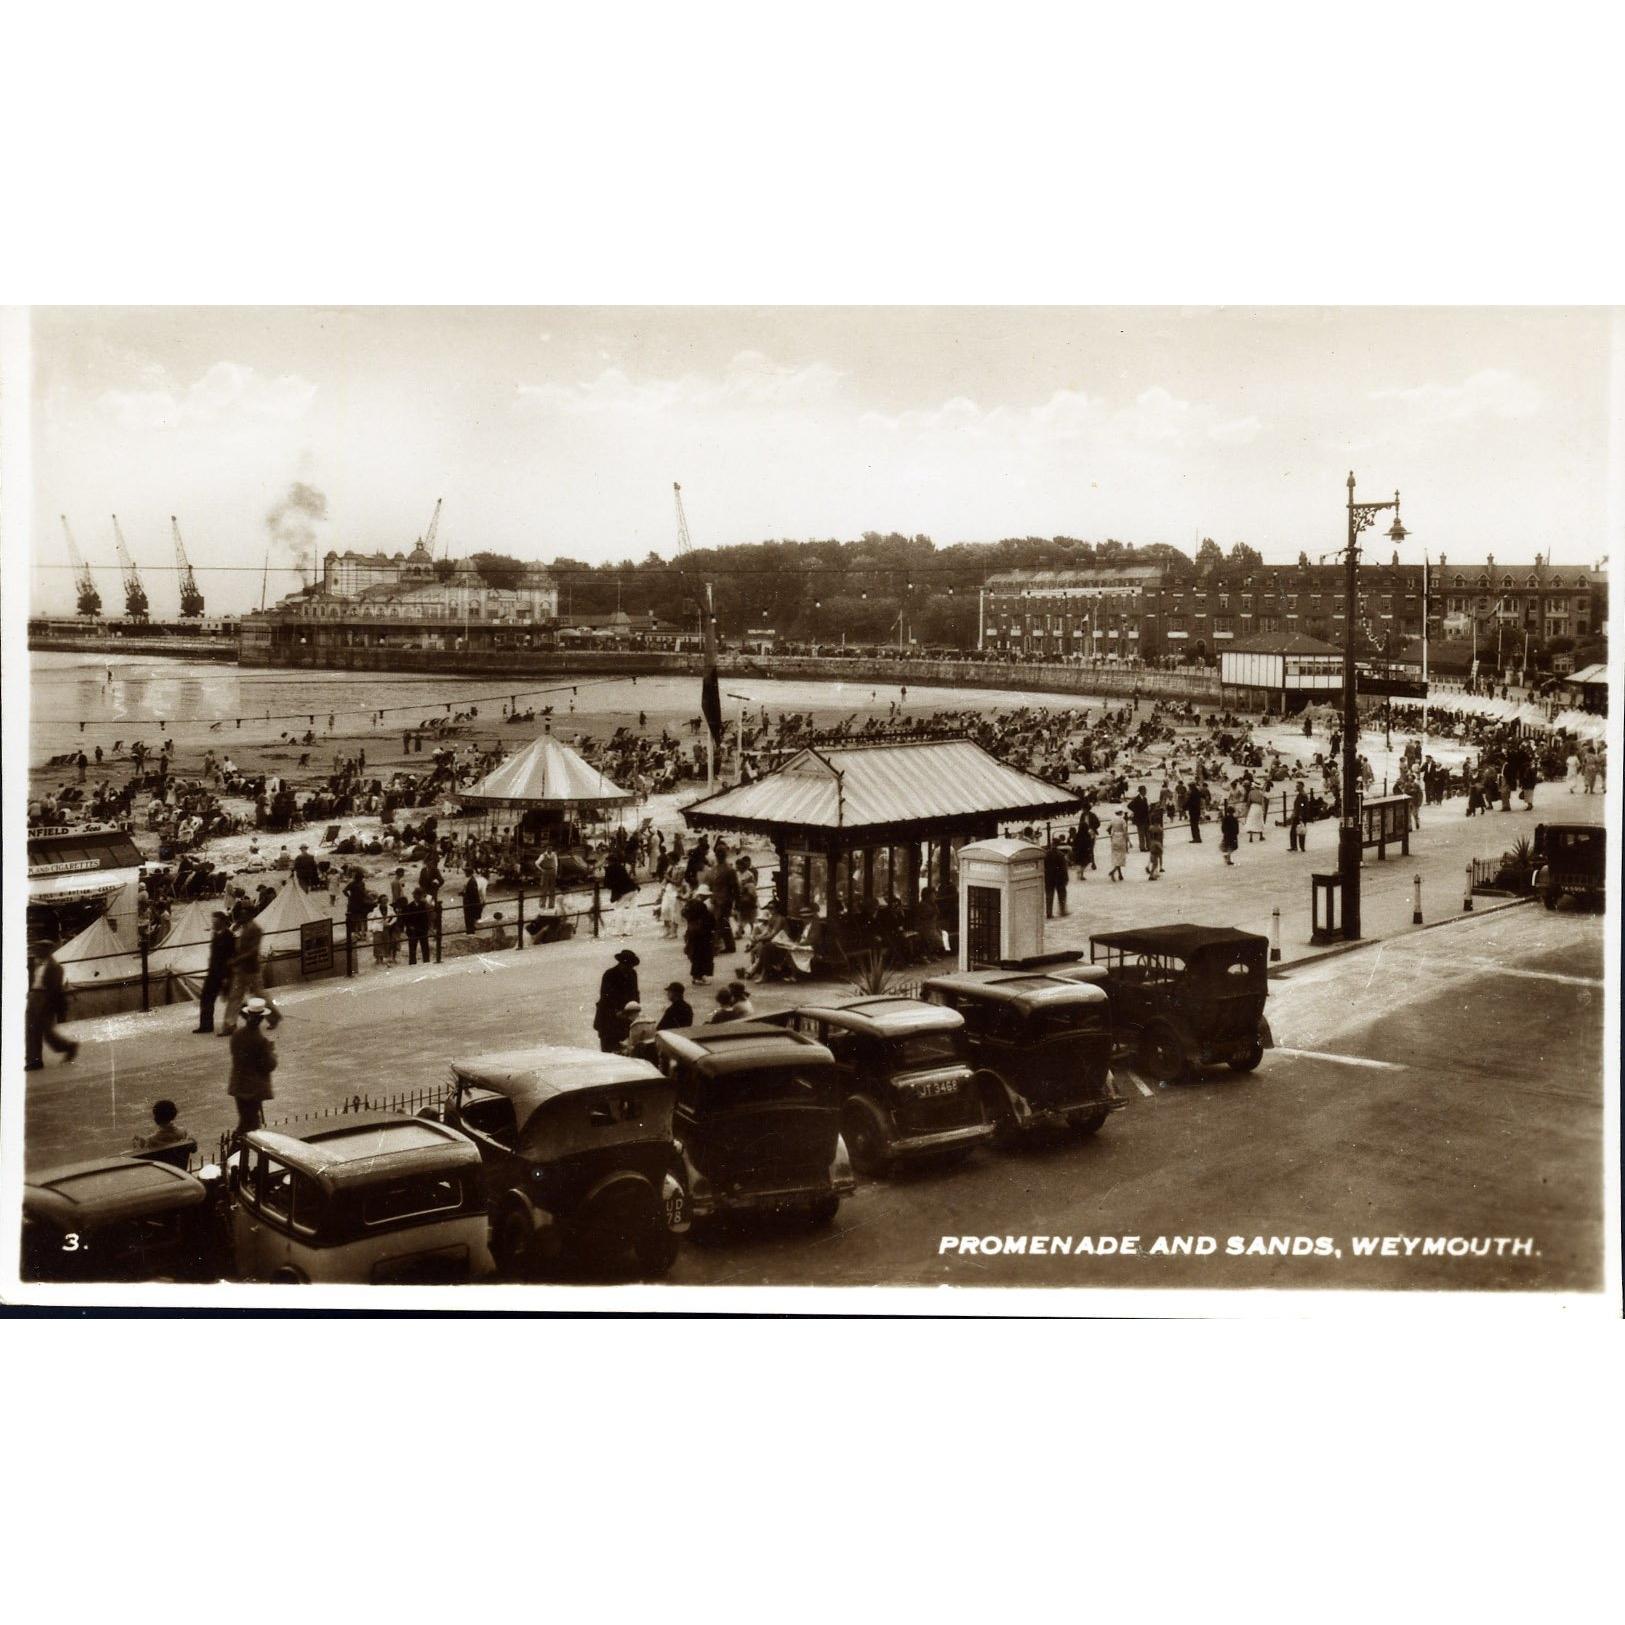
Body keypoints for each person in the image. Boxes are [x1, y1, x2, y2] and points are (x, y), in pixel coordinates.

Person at [219, 913, 277, 1035]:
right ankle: (229, 1025)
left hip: (251, 969)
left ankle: (273, 1018)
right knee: (236, 996)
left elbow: (253, 951)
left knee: (257, 994)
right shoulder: (245, 927)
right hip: (242, 969)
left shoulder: (255, 929)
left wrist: (236, 960)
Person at [227, 996, 277, 1137]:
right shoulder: (261, 1041)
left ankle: (237, 1148)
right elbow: (268, 1065)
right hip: (253, 1089)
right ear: (261, 1019)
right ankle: (235, 1151)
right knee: (250, 1123)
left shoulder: (237, 1035)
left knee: (246, 1119)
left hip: (238, 1084)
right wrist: (272, 1051)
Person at [24, 942, 77, 1071]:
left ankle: (69, 1046)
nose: (36, 952)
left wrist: (45, 1004)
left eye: (40, 949)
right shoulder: (37, 963)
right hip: (34, 997)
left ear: (47, 951)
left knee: (47, 1033)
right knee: (31, 1030)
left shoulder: (55, 967)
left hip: (45, 1000)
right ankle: (34, 1061)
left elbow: (53, 989)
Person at [593, 949, 640, 1053]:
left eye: (630, 966)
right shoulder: (609, 975)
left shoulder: (632, 974)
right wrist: (616, 1011)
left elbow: (635, 993)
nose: (628, 968)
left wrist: (635, 1009)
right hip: (608, 1019)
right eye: (626, 965)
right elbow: (606, 997)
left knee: (626, 1049)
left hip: (626, 1018)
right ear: (621, 963)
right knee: (609, 1050)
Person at [195, 908, 233, 1033]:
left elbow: (230, 957)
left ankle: (254, 1014)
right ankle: (206, 1025)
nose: (213, 924)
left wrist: (227, 976)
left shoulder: (228, 936)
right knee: (208, 998)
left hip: (221, 973)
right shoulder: (217, 934)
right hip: (214, 973)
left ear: (222, 922)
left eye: (215, 922)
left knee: (232, 999)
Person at [684, 884, 717, 985]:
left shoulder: (690, 903)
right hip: (702, 934)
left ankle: (697, 976)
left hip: (692, 933)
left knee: (696, 956)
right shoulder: (701, 905)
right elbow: (709, 919)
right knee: (702, 956)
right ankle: (699, 976)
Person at [1044, 840, 1069, 916]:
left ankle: (1049, 912)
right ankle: (1062, 911)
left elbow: (1044, 866)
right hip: (1059, 877)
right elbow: (1064, 868)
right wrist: (1066, 878)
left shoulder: (1046, 854)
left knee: (1049, 896)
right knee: (1062, 894)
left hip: (1049, 877)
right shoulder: (1060, 854)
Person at [1106, 811, 1129, 882]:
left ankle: (1120, 873)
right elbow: (1125, 831)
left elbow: (1108, 829)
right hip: (1121, 838)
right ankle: (1114, 871)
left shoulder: (1112, 820)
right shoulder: (1122, 820)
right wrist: (1128, 841)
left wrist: (1112, 834)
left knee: (1116, 857)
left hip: (1114, 838)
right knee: (1120, 857)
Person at [1288, 781, 1309, 853]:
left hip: (1299, 816)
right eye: (1296, 786)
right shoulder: (1302, 794)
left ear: (1302, 786)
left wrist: (1300, 815)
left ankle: (1295, 847)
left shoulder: (1302, 795)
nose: (1296, 787)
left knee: (1295, 831)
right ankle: (1300, 847)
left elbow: (1302, 805)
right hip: (1299, 815)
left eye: (1298, 786)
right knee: (1300, 831)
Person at [461, 871, 483, 936]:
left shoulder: (472, 881)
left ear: (468, 873)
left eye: (466, 872)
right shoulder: (470, 880)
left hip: (470, 902)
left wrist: (465, 894)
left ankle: (470, 932)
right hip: (468, 902)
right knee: (468, 916)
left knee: (469, 916)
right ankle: (469, 931)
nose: (465, 873)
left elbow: (473, 894)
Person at [1145, 809, 1164, 880]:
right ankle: (1153, 874)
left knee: (1153, 858)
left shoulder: (1151, 828)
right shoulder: (1160, 829)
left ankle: (1151, 870)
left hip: (1152, 843)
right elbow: (1161, 837)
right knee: (1157, 860)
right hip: (1157, 843)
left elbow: (1148, 835)